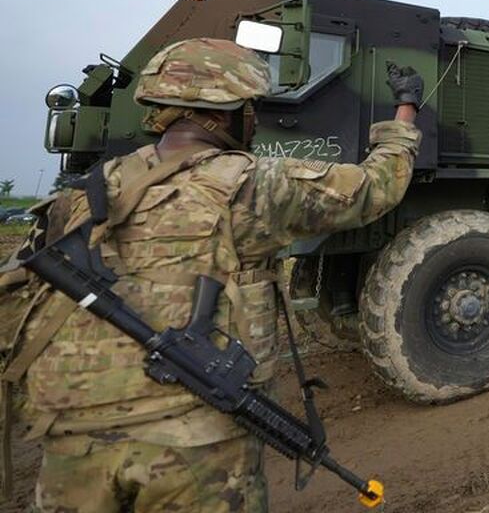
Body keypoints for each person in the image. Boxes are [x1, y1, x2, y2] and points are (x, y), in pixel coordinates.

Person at [4, 38, 423, 512]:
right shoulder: (250, 186)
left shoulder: (81, 196)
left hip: (72, 443)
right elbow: (376, 187)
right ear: (226, 112)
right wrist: (405, 111)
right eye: (250, 107)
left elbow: (16, 303)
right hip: (195, 440)